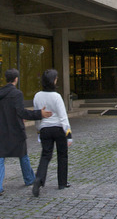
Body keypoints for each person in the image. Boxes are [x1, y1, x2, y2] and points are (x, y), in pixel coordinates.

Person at [0, 68, 52, 198]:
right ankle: (29, 179)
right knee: (23, 155)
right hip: (15, 130)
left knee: (0, 158)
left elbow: (7, 111)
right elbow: (21, 112)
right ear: (16, 79)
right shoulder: (17, 94)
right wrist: (39, 114)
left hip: (0, 130)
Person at [32, 69, 72, 197]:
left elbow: (37, 115)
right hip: (58, 128)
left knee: (45, 155)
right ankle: (62, 182)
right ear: (53, 81)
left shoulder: (37, 96)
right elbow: (63, 116)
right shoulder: (56, 96)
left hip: (44, 128)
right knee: (62, 155)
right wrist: (68, 134)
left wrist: (38, 130)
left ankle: (39, 179)